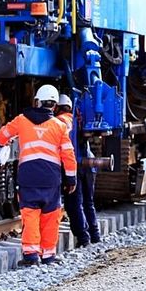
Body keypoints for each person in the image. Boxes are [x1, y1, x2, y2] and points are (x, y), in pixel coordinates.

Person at [0, 84, 77, 266]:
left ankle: (31, 255)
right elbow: (68, 155)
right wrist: (71, 179)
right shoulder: (60, 126)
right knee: (51, 216)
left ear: (37, 101)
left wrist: (0, 146)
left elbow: (2, 136)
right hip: (50, 178)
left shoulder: (21, 120)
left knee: (30, 215)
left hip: (28, 177)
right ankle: (48, 255)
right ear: (54, 105)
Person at [57, 93, 101, 246]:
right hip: (88, 164)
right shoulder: (78, 117)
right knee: (88, 202)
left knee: (74, 204)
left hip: (74, 165)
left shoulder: (58, 122)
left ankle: (83, 238)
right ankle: (95, 235)